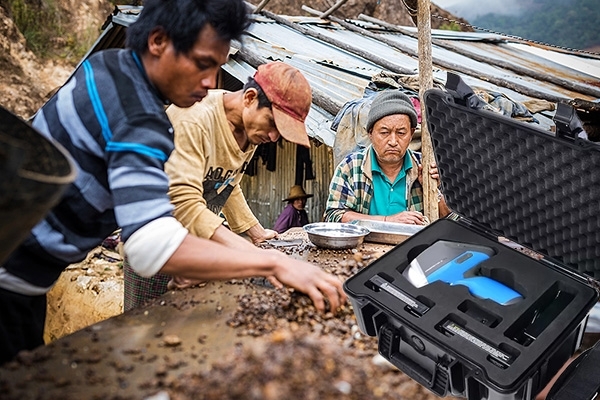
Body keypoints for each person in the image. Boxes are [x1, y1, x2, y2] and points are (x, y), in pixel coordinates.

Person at [0, 0, 345, 366]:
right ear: (158, 41)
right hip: (10, 280)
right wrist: (273, 265)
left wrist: (254, 236)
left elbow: (224, 187)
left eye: (216, 68)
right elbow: (148, 246)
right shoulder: (143, 119)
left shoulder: (108, 67)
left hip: (27, 277)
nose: (210, 82)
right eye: (202, 64)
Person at [124, 62, 314, 310]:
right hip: (157, 241)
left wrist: (255, 232)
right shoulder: (195, 120)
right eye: (272, 123)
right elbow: (184, 204)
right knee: (144, 326)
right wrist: (259, 257)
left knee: (189, 329)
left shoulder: (251, 130)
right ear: (249, 97)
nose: (273, 137)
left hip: (198, 244)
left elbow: (226, 183)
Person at [323, 90, 450, 224]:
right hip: (365, 245)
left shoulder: (426, 167)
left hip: (416, 245)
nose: (393, 141)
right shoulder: (351, 167)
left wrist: (432, 189)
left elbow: (450, 219)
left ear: (411, 134)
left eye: (401, 133)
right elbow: (333, 216)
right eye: (384, 132)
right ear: (370, 133)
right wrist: (388, 221)